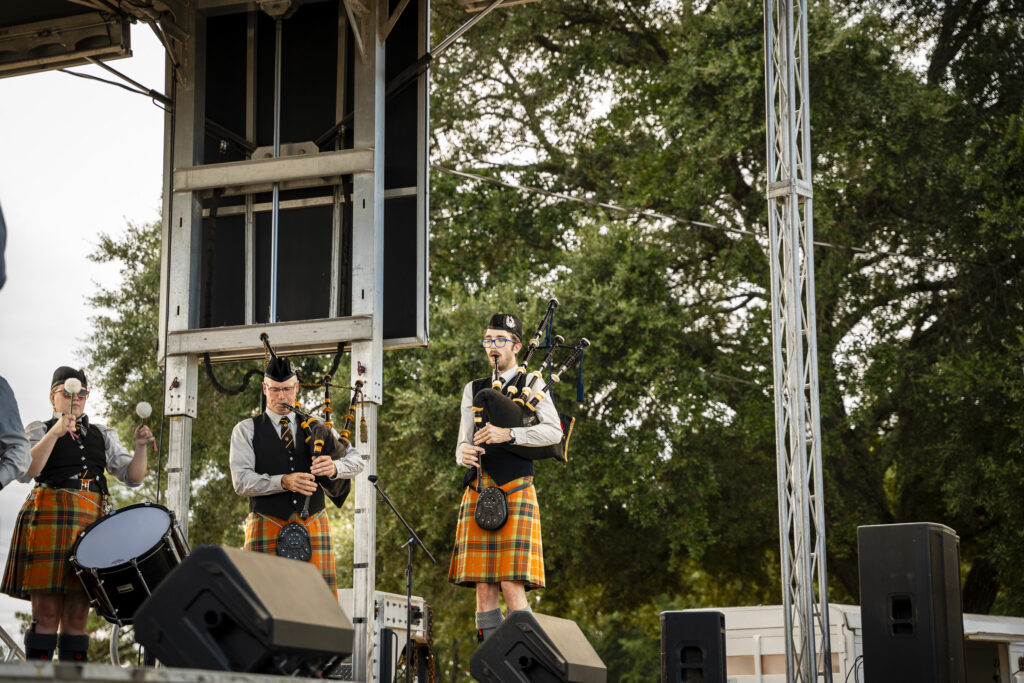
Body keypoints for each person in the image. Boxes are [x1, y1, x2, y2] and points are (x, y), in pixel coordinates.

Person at [1, 367, 153, 662]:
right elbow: (28, 470)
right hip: (49, 515)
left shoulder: (101, 434)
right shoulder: (39, 429)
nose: (75, 399)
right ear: (52, 397)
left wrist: (140, 447)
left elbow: (133, 477)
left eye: (81, 394)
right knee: (46, 613)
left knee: (77, 614)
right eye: (66, 393)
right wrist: (56, 432)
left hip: (90, 523)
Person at [448, 312, 563, 642]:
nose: (492, 346)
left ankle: (524, 656)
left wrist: (508, 434)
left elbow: (553, 433)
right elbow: (462, 441)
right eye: (487, 340)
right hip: (479, 488)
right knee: (483, 585)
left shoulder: (532, 384)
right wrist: (463, 454)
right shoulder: (474, 389)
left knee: (512, 582)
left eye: (499, 340)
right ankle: (492, 658)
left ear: (515, 345)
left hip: (516, 487)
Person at [229, 354, 364, 596]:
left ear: (297, 388)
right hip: (266, 522)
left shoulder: (317, 426)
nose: (281, 396)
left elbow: (357, 461)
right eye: (275, 390)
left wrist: (335, 468)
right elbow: (241, 482)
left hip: (312, 522)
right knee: (262, 604)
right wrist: (282, 481)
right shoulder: (245, 430)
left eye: (287, 389)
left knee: (318, 605)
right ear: (264, 388)